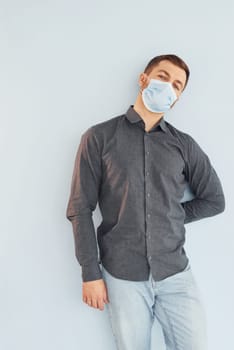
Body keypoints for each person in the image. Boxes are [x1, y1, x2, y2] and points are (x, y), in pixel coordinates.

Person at [66, 54, 225, 350]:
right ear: (144, 79)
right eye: (163, 77)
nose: (169, 87)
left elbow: (214, 200)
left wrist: (167, 215)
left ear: (178, 98)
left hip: (176, 273)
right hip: (122, 275)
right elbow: (80, 208)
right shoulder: (99, 137)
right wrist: (90, 273)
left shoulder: (183, 144)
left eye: (177, 85)